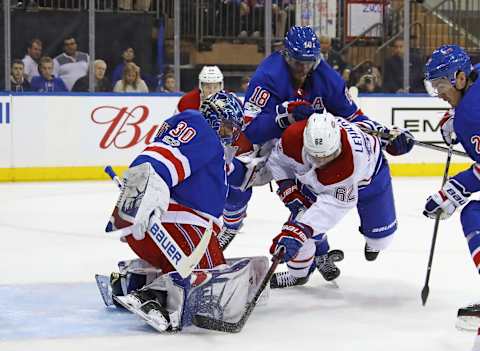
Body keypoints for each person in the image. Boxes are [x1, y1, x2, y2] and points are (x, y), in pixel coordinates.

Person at [218, 26, 414, 256]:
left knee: (308, 204)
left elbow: (354, 118)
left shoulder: (328, 78)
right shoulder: (267, 76)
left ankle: (316, 251)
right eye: (298, 63)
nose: (303, 69)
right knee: (237, 171)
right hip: (276, 144)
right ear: (286, 55)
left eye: (309, 62)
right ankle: (231, 223)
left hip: (314, 147)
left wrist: (386, 135)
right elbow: (250, 129)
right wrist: (284, 117)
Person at [103, 91, 267, 332]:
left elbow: (238, 175)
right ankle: (155, 297)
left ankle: (133, 282)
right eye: (226, 126)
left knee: (208, 271)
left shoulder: (212, 151)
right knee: (214, 284)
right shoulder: (197, 124)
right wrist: (150, 182)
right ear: (212, 116)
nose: (229, 134)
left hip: (160, 233)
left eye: (233, 129)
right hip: (182, 231)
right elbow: (160, 156)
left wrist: (265, 170)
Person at [266, 111, 413, 288]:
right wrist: (287, 188)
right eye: (316, 156)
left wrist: (299, 232)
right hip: (318, 181)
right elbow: (277, 161)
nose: (322, 161)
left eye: (329, 155)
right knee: (301, 228)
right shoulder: (293, 137)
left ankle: (374, 239)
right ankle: (299, 274)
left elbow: (333, 206)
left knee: (380, 239)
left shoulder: (351, 162)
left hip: (370, 179)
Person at [423, 44, 480, 330]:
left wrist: (453, 191)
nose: (440, 94)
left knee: (474, 216)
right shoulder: (475, 79)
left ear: (460, 78)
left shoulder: (470, 116)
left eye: (442, 85)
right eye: (434, 87)